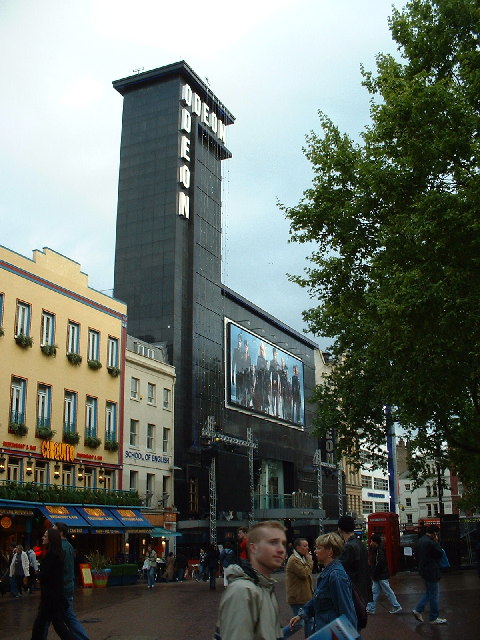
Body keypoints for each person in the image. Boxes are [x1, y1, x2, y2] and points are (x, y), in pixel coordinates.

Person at [217, 520, 286, 640]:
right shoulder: (242, 591)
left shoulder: (266, 587)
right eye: (273, 542)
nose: (281, 549)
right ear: (253, 548)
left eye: (283, 543)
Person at [289, 533, 357, 635]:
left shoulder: (336, 575)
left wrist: (348, 634)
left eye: (318, 548)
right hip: (325, 630)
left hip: (331, 632)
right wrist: (302, 614)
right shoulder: (329, 572)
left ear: (329, 551)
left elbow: (346, 610)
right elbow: (318, 599)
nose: (315, 551)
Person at [42, 523, 90, 640]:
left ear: (61, 533)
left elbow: (62, 571)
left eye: (54, 530)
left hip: (61, 590)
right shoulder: (67, 546)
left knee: (62, 619)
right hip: (65, 589)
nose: (51, 533)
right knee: (64, 619)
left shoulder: (61, 548)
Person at [31, 528, 75, 640]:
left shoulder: (52, 556)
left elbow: (48, 576)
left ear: (51, 539)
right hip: (53, 598)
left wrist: (39, 576)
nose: (43, 538)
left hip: (50, 598)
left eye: (45, 536)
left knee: (41, 626)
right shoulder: (56, 554)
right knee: (57, 626)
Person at [412, 524, 447, 624]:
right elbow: (440, 553)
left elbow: (417, 555)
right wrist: (437, 542)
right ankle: (433, 617)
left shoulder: (420, 540)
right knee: (434, 594)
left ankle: (418, 610)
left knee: (429, 592)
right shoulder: (431, 543)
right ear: (435, 533)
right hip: (432, 570)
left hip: (423, 569)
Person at [282, 538, 314, 638]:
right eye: (305, 546)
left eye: (307, 545)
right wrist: (310, 562)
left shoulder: (301, 558)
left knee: (309, 620)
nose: (307, 548)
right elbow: (304, 574)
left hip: (304, 596)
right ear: (297, 547)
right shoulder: (294, 560)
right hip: (297, 598)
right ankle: (278, 636)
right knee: (299, 623)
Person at [366, 533, 401, 614]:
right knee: (374, 592)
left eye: (371, 541)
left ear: (375, 542)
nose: (370, 543)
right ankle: (370, 608)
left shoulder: (379, 551)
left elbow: (379, 564)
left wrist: (374, 573)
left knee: (387, 591)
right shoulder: (377, 550)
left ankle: (396, 606)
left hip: (380, 575)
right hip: (378, 575)